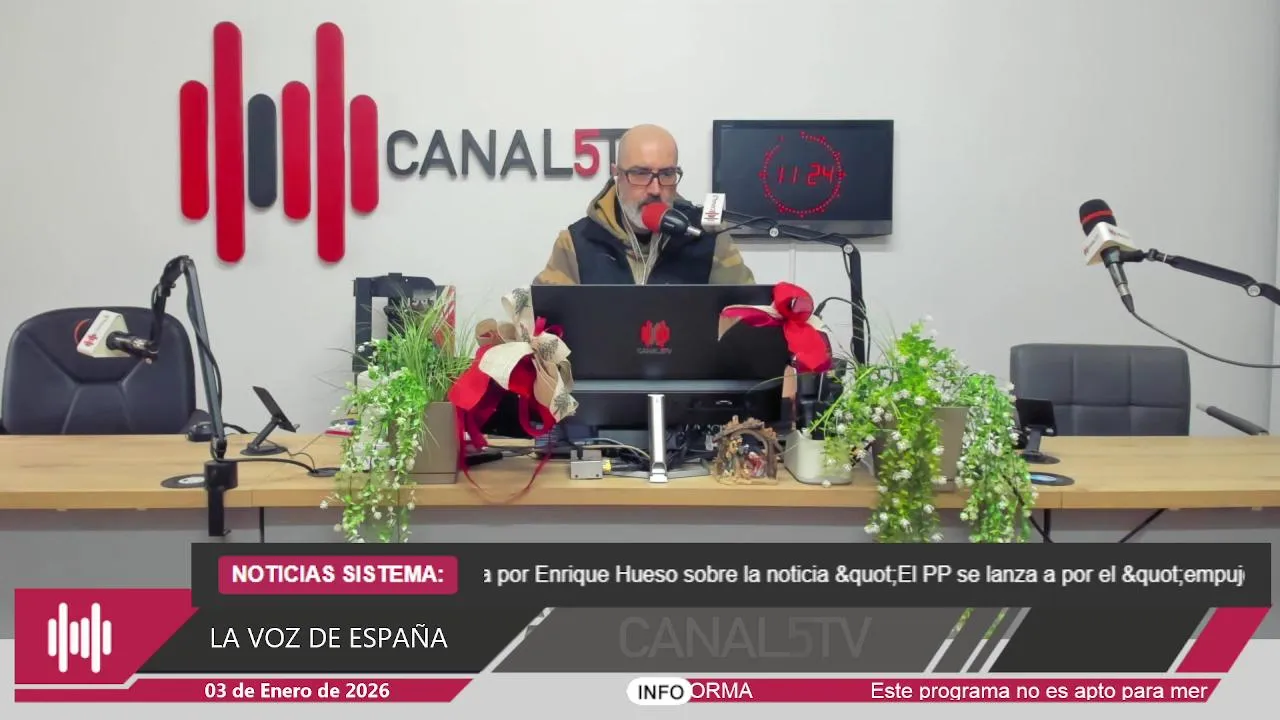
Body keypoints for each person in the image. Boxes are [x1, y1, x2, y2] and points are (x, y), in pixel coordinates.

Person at [533, 124, 755, 286]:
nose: (655, 190)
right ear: (617, 175)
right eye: (640, 173)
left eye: (666, 174)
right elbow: (542, 324)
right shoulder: (575, 242)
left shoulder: (710, 238)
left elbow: (746, 317)